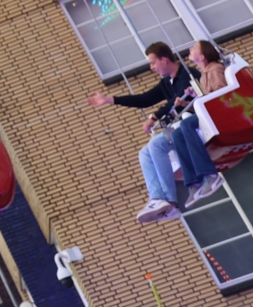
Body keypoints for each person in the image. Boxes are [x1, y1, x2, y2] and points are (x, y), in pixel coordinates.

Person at [86, 40, 202, 222]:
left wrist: (154, 117)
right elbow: (145, 99)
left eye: (153, 63)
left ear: (164, 60)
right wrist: (110, 99)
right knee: (144, 153)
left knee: (156, 145)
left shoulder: (187, 75)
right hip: (181, 128)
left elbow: (178, 99)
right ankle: (157, 198)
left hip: (195, 124)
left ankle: (171, 202)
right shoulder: (168, 81)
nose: (151, 68)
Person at [171, 40, 227, 208]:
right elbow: (204, 100)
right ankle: (194, 181)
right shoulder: (203, 75)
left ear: (202, 56)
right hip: (207, 112)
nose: (190, 48)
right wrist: (189, 101)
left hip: (218, 113)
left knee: (186, 126)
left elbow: (221, 94)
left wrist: (200, 97)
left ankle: (210, 174)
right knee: (177, 134)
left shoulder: (215, 70)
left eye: (194, 47)